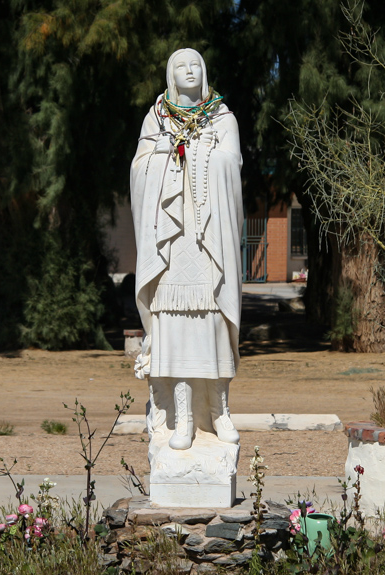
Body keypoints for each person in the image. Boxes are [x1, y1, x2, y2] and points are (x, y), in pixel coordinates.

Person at [130, 48, 243, 451]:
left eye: (195, 64)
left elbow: (234, 166)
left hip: (208, 239)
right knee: (175, 328)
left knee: (213, 324)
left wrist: (209, 154)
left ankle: (219, 411)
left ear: (205, 71)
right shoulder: (157, 117)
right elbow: (139, 169)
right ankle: (182, 419)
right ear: (170, 74)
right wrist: (164, 153)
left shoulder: (222, 116)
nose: (189, 70)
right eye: (181, 65)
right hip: (173, 243)